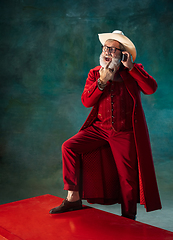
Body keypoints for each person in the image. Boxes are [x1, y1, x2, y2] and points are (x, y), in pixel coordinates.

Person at [50, 30, 162, 220]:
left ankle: (128, 216)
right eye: (105, 48)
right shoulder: (95, 73)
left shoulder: (133, 71)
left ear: (122, 53)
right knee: (69, 147)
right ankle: (73, 198)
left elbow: (151, 88)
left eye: (112, 49)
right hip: (99, 129)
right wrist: (102, 80)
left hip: (124, 131)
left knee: (127, 177)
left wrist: (132, 67)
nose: (107, 52)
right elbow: (86, 101)